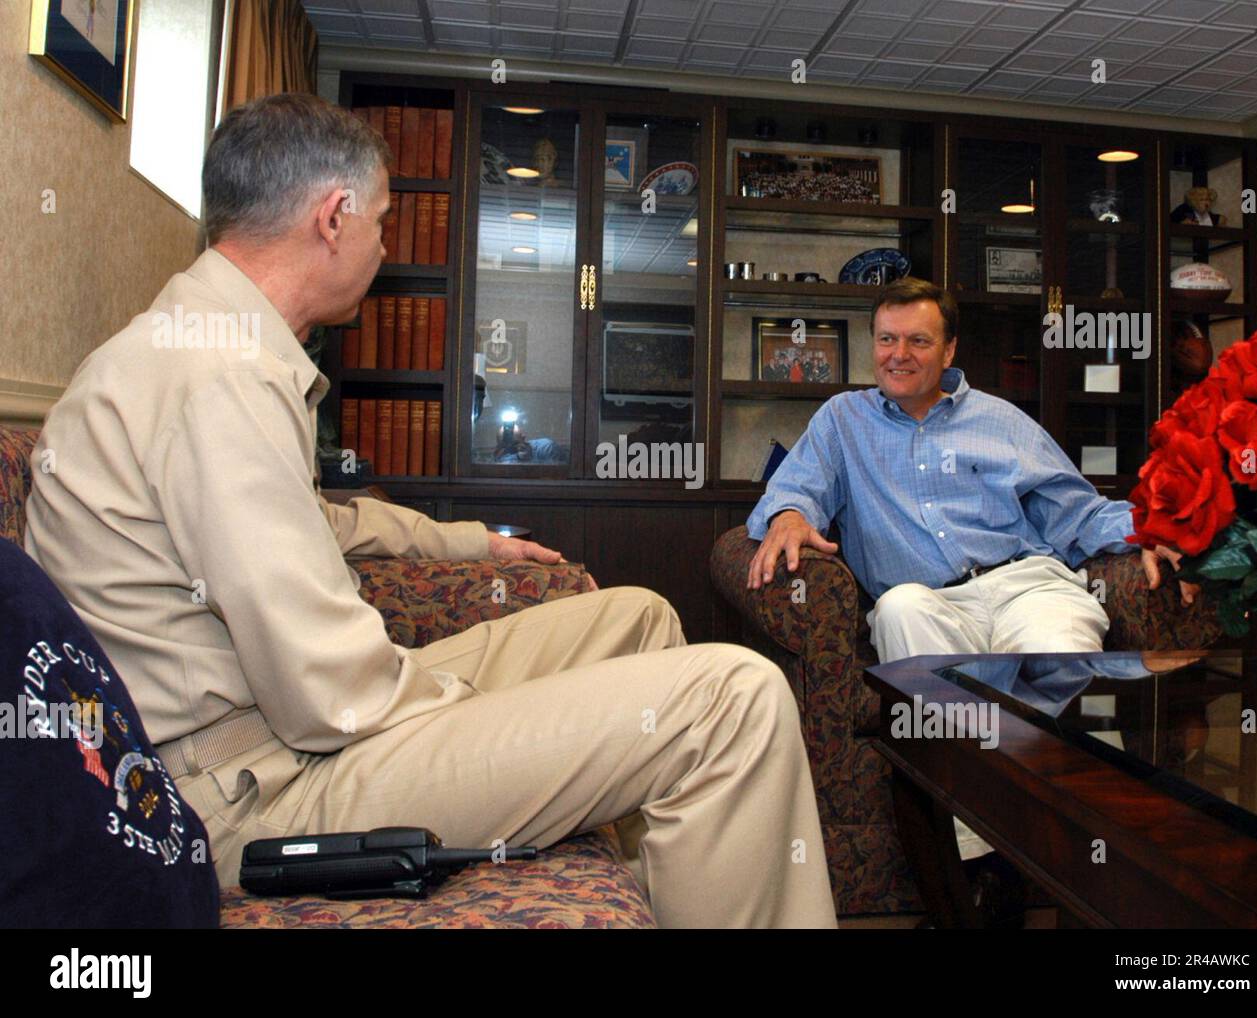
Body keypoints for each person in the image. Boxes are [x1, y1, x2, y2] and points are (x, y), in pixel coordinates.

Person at [23, 93, 836, 928]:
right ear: (332, 218)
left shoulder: (206, 345)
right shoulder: (218, 378)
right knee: (734, 697)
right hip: (254, 793)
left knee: (636, 618)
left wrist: (470, 542)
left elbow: (314, 522)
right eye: (380, 219)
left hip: (288, 737)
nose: (384, 243)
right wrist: (484, 711)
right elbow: (330, 691)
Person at [745, 277, 1197, 665]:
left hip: (1028, 588)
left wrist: (1152, 528)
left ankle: (1043, 759)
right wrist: (789, 514)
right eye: (887, 339)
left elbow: (1077, 514)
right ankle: (956, 759)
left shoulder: (1001, 420)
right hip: (927, 601)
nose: (898, 354)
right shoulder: (843, 420)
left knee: (1056, 657)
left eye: (918, 341)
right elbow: (797, 488)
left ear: (949, 350)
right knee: (899, 609)